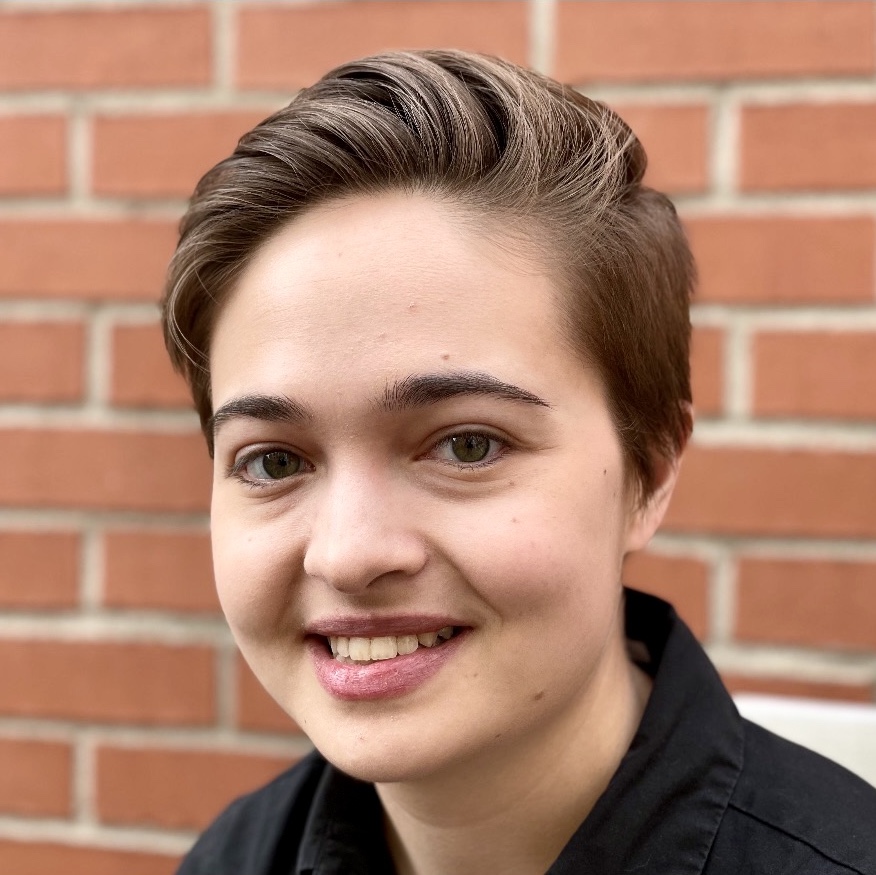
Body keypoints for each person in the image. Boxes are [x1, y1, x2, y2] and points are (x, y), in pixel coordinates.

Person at [162, 50, 876, 875]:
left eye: (467, 444)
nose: (350, 553)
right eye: (275, 460)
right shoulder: (234, 859)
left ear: (649, 469)